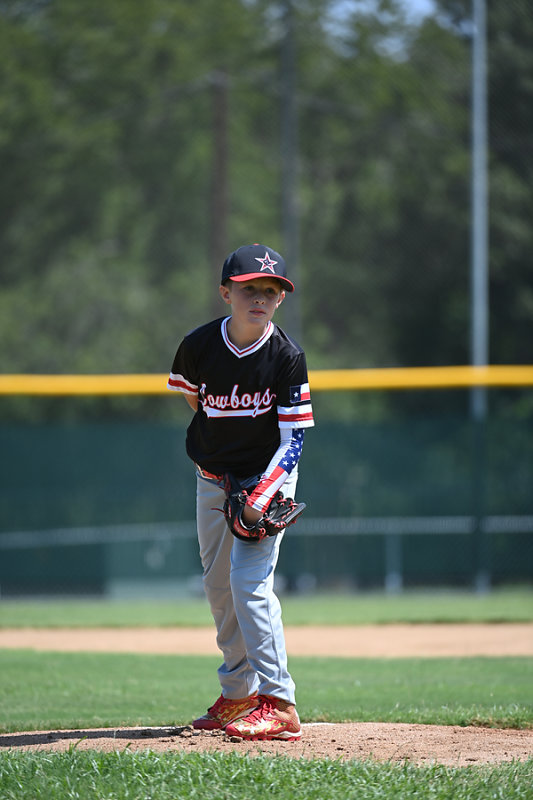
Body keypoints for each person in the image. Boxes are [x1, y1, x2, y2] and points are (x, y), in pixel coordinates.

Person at [167, 243, 314, 741]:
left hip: (267, 478)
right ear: (226, 292)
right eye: (250, 288)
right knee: (218, 587)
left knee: (249, 584)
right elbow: (195, 401)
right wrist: (224, 471)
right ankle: (238, 695)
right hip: (212, 478)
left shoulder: (287, 356)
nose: (260, 298)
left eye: (271, 291)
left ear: (280, 299)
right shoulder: (198, 346)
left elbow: (293, 441)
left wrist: (259, 498)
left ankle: (280, 702)